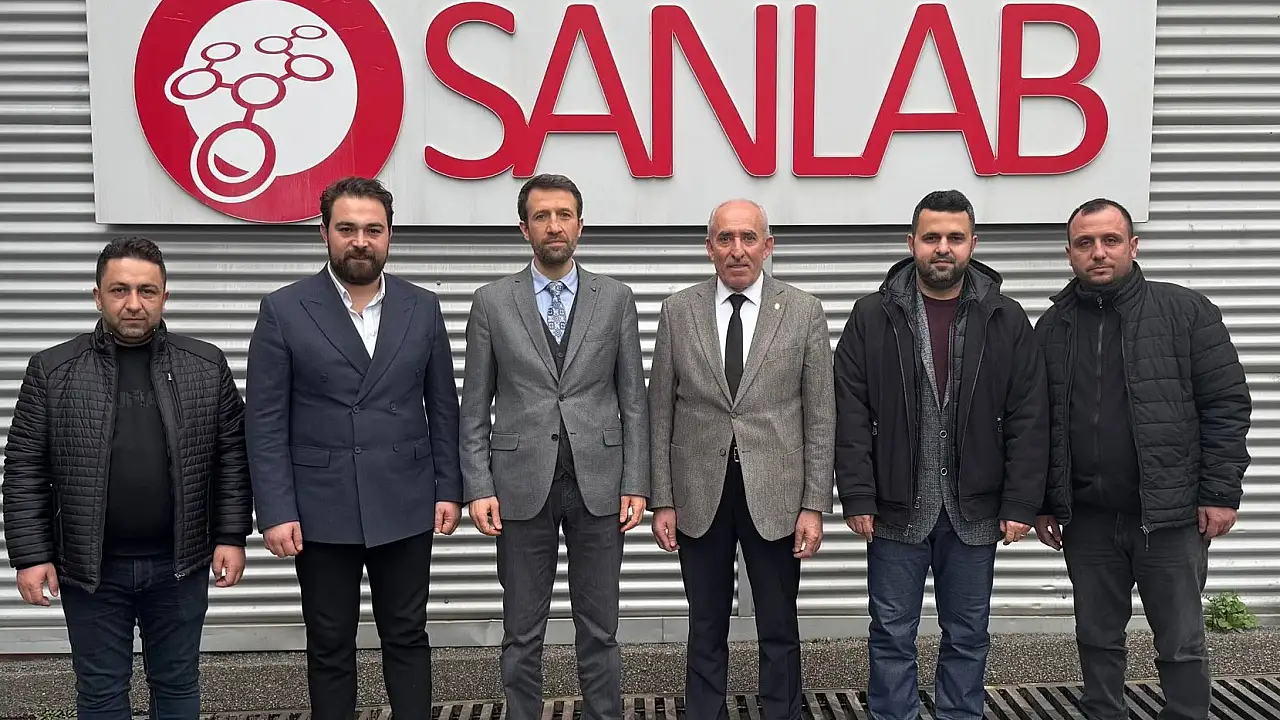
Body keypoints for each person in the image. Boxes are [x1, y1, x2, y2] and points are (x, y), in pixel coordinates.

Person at [2, 236, 252, 720]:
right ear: (98, 296)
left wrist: (230, 535)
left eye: (146, 291)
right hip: (91, 571)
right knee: (100, 693)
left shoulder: (205, 365)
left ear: (165, 296)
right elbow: (25, 467)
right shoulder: (53, 370)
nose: (133, 303)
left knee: (178, 685)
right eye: (120, 290)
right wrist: (31, 556)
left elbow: (231, 459)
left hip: (179, 567)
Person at [244, 176, 463, 720]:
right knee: (329, 641)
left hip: (405, 499)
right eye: (347, 229)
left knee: (407, 634)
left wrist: (449, 489)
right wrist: (275, 509)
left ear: (389, 235)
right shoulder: (284, 309)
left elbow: (443, 407)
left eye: (372, 229)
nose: (360, 241)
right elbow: (265, 421)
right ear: (324, 233)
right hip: (321, 507)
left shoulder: (422, 307)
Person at [833, 189, 1049, 720]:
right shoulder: (872, 315)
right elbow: (850, 414)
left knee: (969, 633)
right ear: (911, 243)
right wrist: (857, 494)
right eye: (932, 237)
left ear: (973, 243)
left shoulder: (1005, 318)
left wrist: (1020, 503)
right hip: (896, 507)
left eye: (955, 237)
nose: (943, 248)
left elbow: (1029, 417)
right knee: (891, 633)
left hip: (974, 509)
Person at [1034, 198, 1251, 720]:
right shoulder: (1052, 327)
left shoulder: (1185, 313)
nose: (1099, 252)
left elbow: (1226, 406)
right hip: (1087, 518)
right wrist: (1042, 502)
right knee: (1096, 637)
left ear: (1133, 246)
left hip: (1169, 517)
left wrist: (1220, 493)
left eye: (1110, 240)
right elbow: (1038, 423)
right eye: (1085, 243)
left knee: (1180, 640)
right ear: (1069, 254)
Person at [459, 173, 649, 719]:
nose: (554, 225)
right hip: (520, 487)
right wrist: (478, 486)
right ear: (524, 229)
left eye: (564, 215)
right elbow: (474, 405)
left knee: (601, 628)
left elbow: (634, 400)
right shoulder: (492, 302)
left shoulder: (616, 299)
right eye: (541, 216)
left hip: (600, 485)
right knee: (521, 630)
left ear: (580, 225)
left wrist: (636, 482)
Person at [647, 198, 834, 720]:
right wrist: (662, 499)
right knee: (705, 623)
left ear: (767, 246)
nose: (737, 250)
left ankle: (782, 712)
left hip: (777, 495)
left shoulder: (803, 311)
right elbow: (659, 412)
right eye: (725, 238)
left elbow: (821, 416)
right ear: (709, 248)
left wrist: (814, 505)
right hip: (698, 495)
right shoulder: (678, 311)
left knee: (779, 623)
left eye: (748, 238)